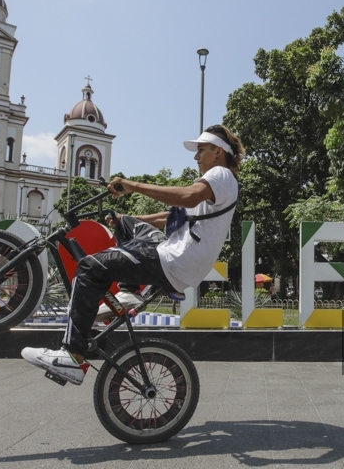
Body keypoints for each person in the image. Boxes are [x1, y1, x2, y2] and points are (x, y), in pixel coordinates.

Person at [21, 125, 242, 385]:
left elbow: (188, 197)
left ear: (217, 152)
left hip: (175, 260)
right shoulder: (217, 184)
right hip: (177, 257)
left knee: (89, 268)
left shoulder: (220, 175)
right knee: (126, 222)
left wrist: (132, 186)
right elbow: (169, 217)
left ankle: (73, 356)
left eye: (201, 150)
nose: (196, 157)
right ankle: (128, 293)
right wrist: (123, 219)